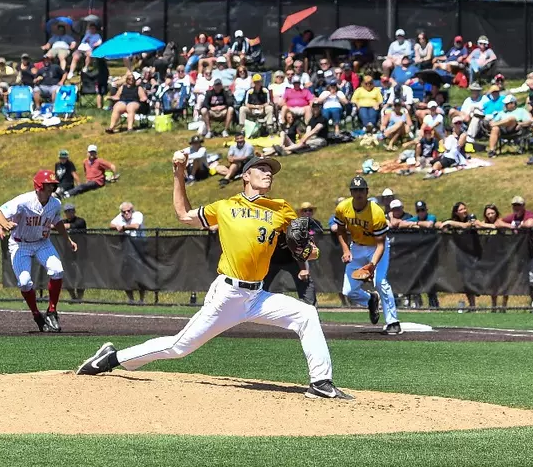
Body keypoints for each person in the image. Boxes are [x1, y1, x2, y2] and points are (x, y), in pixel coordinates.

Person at [77, 154, 348, 398]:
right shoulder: (226, 206)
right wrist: (178, 174)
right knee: (179, 347)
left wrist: (307, 250)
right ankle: (111, 359)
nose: (268, 173)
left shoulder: (281, 209)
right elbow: (184, 215)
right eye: (262, 168)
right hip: (228, 294)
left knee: (306, 314)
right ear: (246, 176)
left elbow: (308, 252)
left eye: (271, 171)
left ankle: (321, 382)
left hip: (257, 296)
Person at [0, 170, 74, 332]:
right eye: (48, 185)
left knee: (57, 270)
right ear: (39, 186)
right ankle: (36, 314)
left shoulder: (55, 203)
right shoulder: (24, 200)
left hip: (42, 242)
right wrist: (3, 224)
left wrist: (67, 239)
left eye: (53, 186)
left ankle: (52, 311)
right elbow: (0, 213)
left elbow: (57, 221)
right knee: (24, 282)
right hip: (20, 244)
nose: (52, 188)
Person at [333, 176, 400, 335]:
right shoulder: (343, 208)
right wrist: (346, 250)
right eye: (355, 190)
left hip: (376, 248)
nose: (358, 194)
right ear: (351, 192)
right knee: (348, 291)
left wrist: (372, 265)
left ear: (367, 191)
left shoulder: (376, 212)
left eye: (361, 190)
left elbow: (381, 244)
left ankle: (393, 321)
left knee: (380, 281)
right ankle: (370, 300)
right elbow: (341, 230)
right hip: (356, 247)